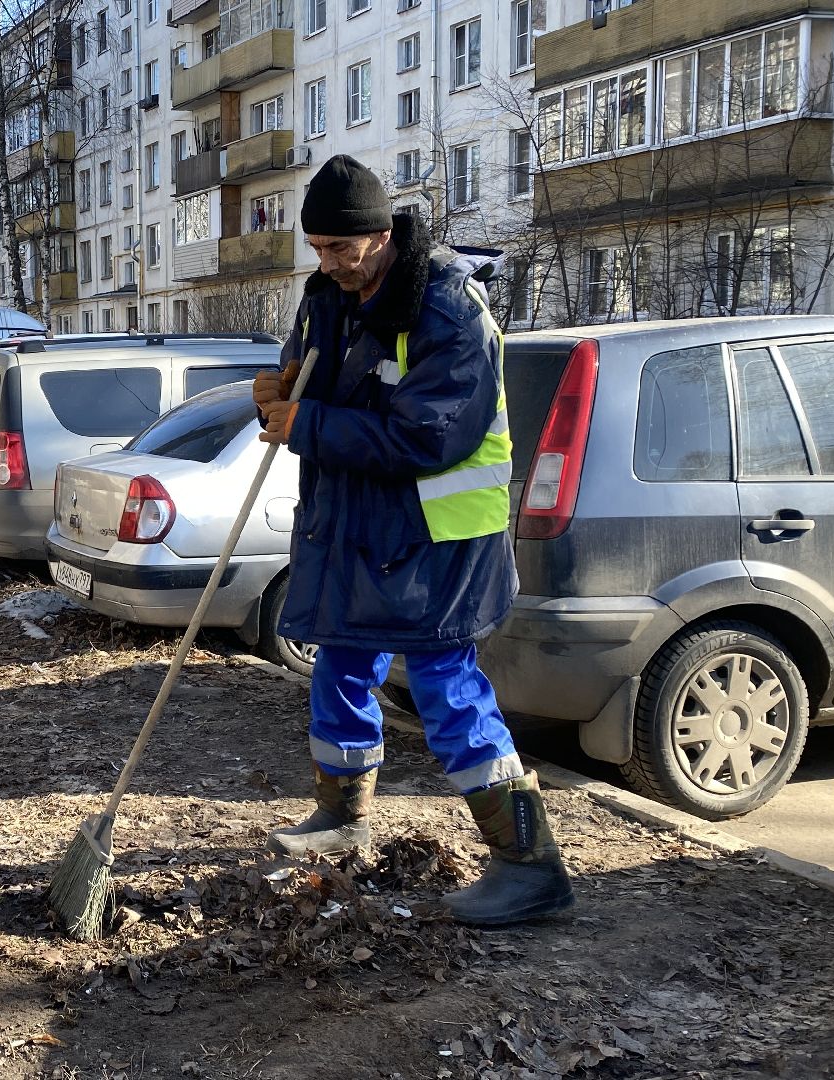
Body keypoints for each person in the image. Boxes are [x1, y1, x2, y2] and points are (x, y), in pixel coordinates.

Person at [253, 154, 572, 926]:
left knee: (445, 691)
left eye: (340, 248)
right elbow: (309, 381)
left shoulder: (447, 308)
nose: (327, 265)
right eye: (317, 249)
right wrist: (277, 391)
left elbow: (428, 436)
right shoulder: (326, 298)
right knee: (340, 665)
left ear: (379, 235)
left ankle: (531, 867)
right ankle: (341, 816)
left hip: (440, 540)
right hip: (355, 528)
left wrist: (308, 423)